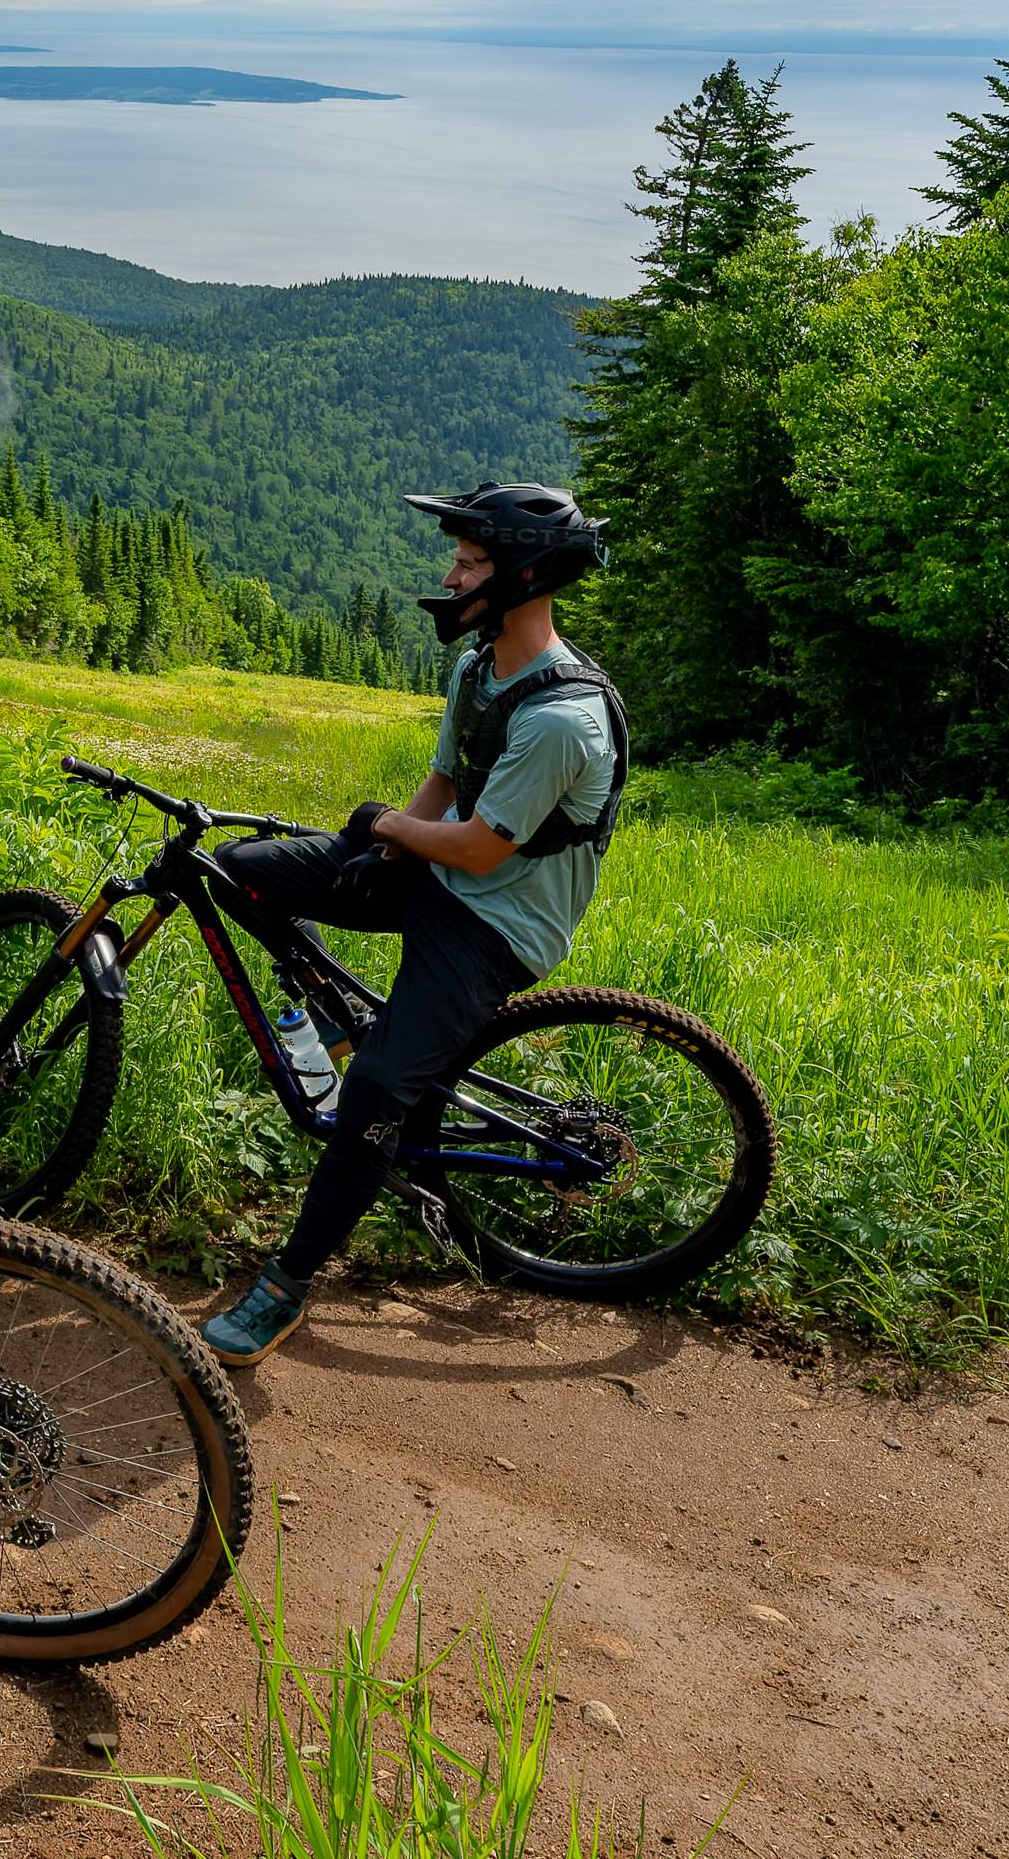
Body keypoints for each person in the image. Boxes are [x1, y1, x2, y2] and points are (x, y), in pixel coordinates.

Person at [198, 482, 625, 1366]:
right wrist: (388, 844)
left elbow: (479, 848)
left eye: (469, 562)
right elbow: (446, 783)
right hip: (438, 872)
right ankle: (339, 1021)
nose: (452, 576)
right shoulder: (480, 668)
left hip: (495, 924)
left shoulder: (562, 718)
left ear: (521, 575)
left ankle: (286, 1285)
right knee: (239, 872)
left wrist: (384, 826)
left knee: (374, 1095)